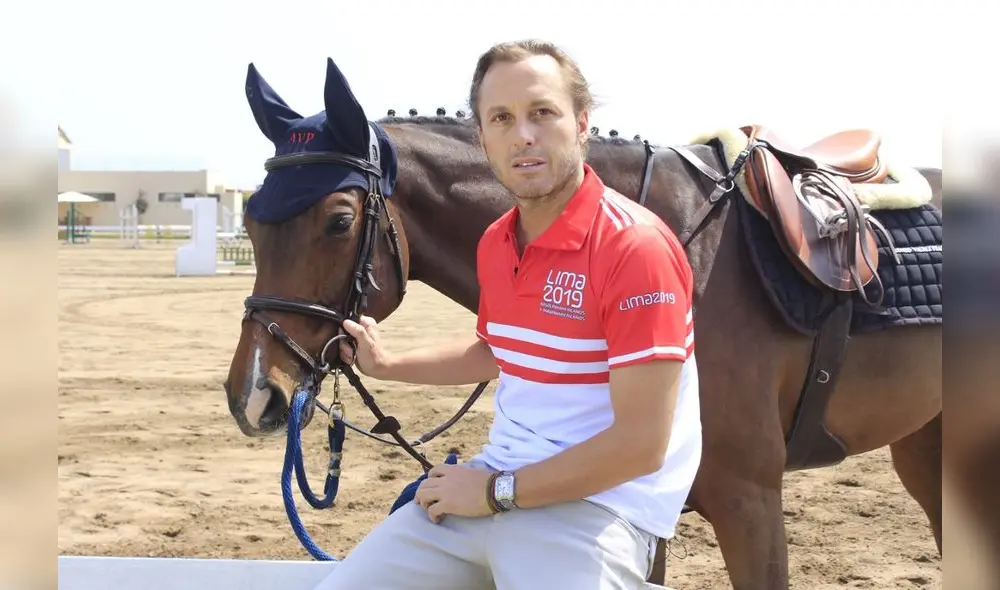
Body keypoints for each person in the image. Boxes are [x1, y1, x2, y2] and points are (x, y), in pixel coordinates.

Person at [313, 39, 702, 590]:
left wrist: (495, 492)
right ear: (482, 139)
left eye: (542, 112)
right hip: (486, 493)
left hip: (593, 512)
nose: (523, 134)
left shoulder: (634, 248)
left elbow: (641, 445)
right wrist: (389, 364)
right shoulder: (498, 241)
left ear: (582, 122)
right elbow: (498, 350)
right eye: (502, 118)